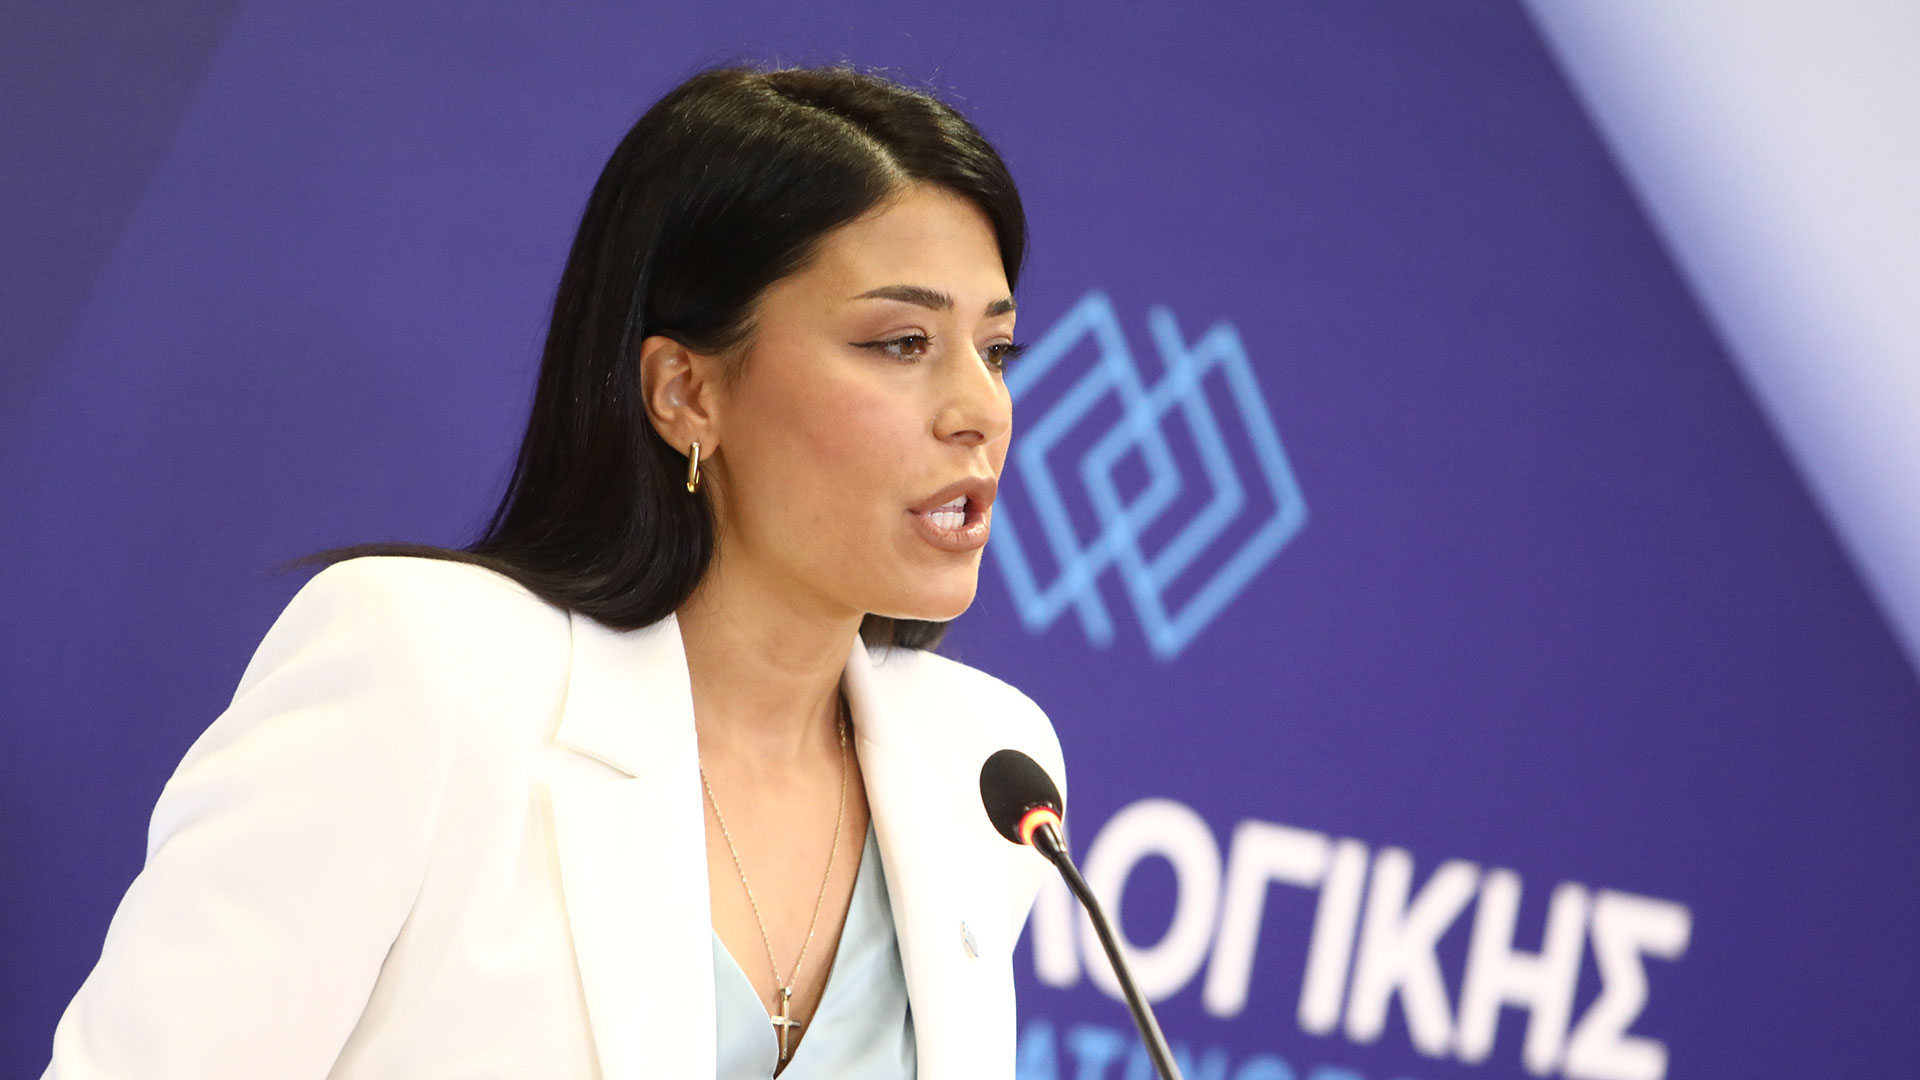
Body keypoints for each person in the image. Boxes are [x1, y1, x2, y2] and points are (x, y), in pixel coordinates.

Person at [43, 63, 1065, 1080]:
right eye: (902, 343)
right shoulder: (428, 673)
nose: (982, 411)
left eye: (997, 350)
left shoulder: (983, 766)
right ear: (686, 392)